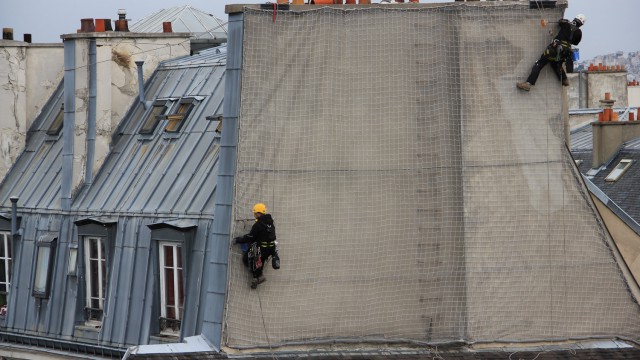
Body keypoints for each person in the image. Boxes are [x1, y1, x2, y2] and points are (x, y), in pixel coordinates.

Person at [516, 14, 586, 92]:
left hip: (554, 49)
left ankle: (528, 83)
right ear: (581, 24)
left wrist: (565, 22)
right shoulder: (579, 32)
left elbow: (560, 22)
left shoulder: (566, 24)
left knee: (539, 63)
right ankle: (564, 79)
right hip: (564, 52)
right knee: (555, 64)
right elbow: (575, 43)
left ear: (575, 18)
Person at [233, 203, 280, 289]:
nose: (254, 215)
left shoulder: (258, 224)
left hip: (261, 248)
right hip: (271, 249)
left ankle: (257, 276)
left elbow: (251, 236)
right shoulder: (270, 223)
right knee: (260, 260)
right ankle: (257, 276)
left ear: (258, 213)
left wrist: (238, 240)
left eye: (255, 213)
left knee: (247, 258)